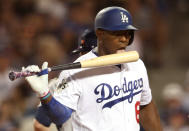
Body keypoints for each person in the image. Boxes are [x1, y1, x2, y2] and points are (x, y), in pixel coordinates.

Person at [23, 7, 162, 131]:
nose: (124, 39)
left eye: (128, 33)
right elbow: (60, 117)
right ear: (100, 34)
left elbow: (146, 107)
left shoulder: (137, 64)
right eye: (117, 33)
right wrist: (44, 94)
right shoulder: (76, 70)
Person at [33, 29, 97, 131]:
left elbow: (39, 125)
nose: (83, 57)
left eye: (87, 53)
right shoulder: (57, 83)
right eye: (82, 53)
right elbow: (40, 125)